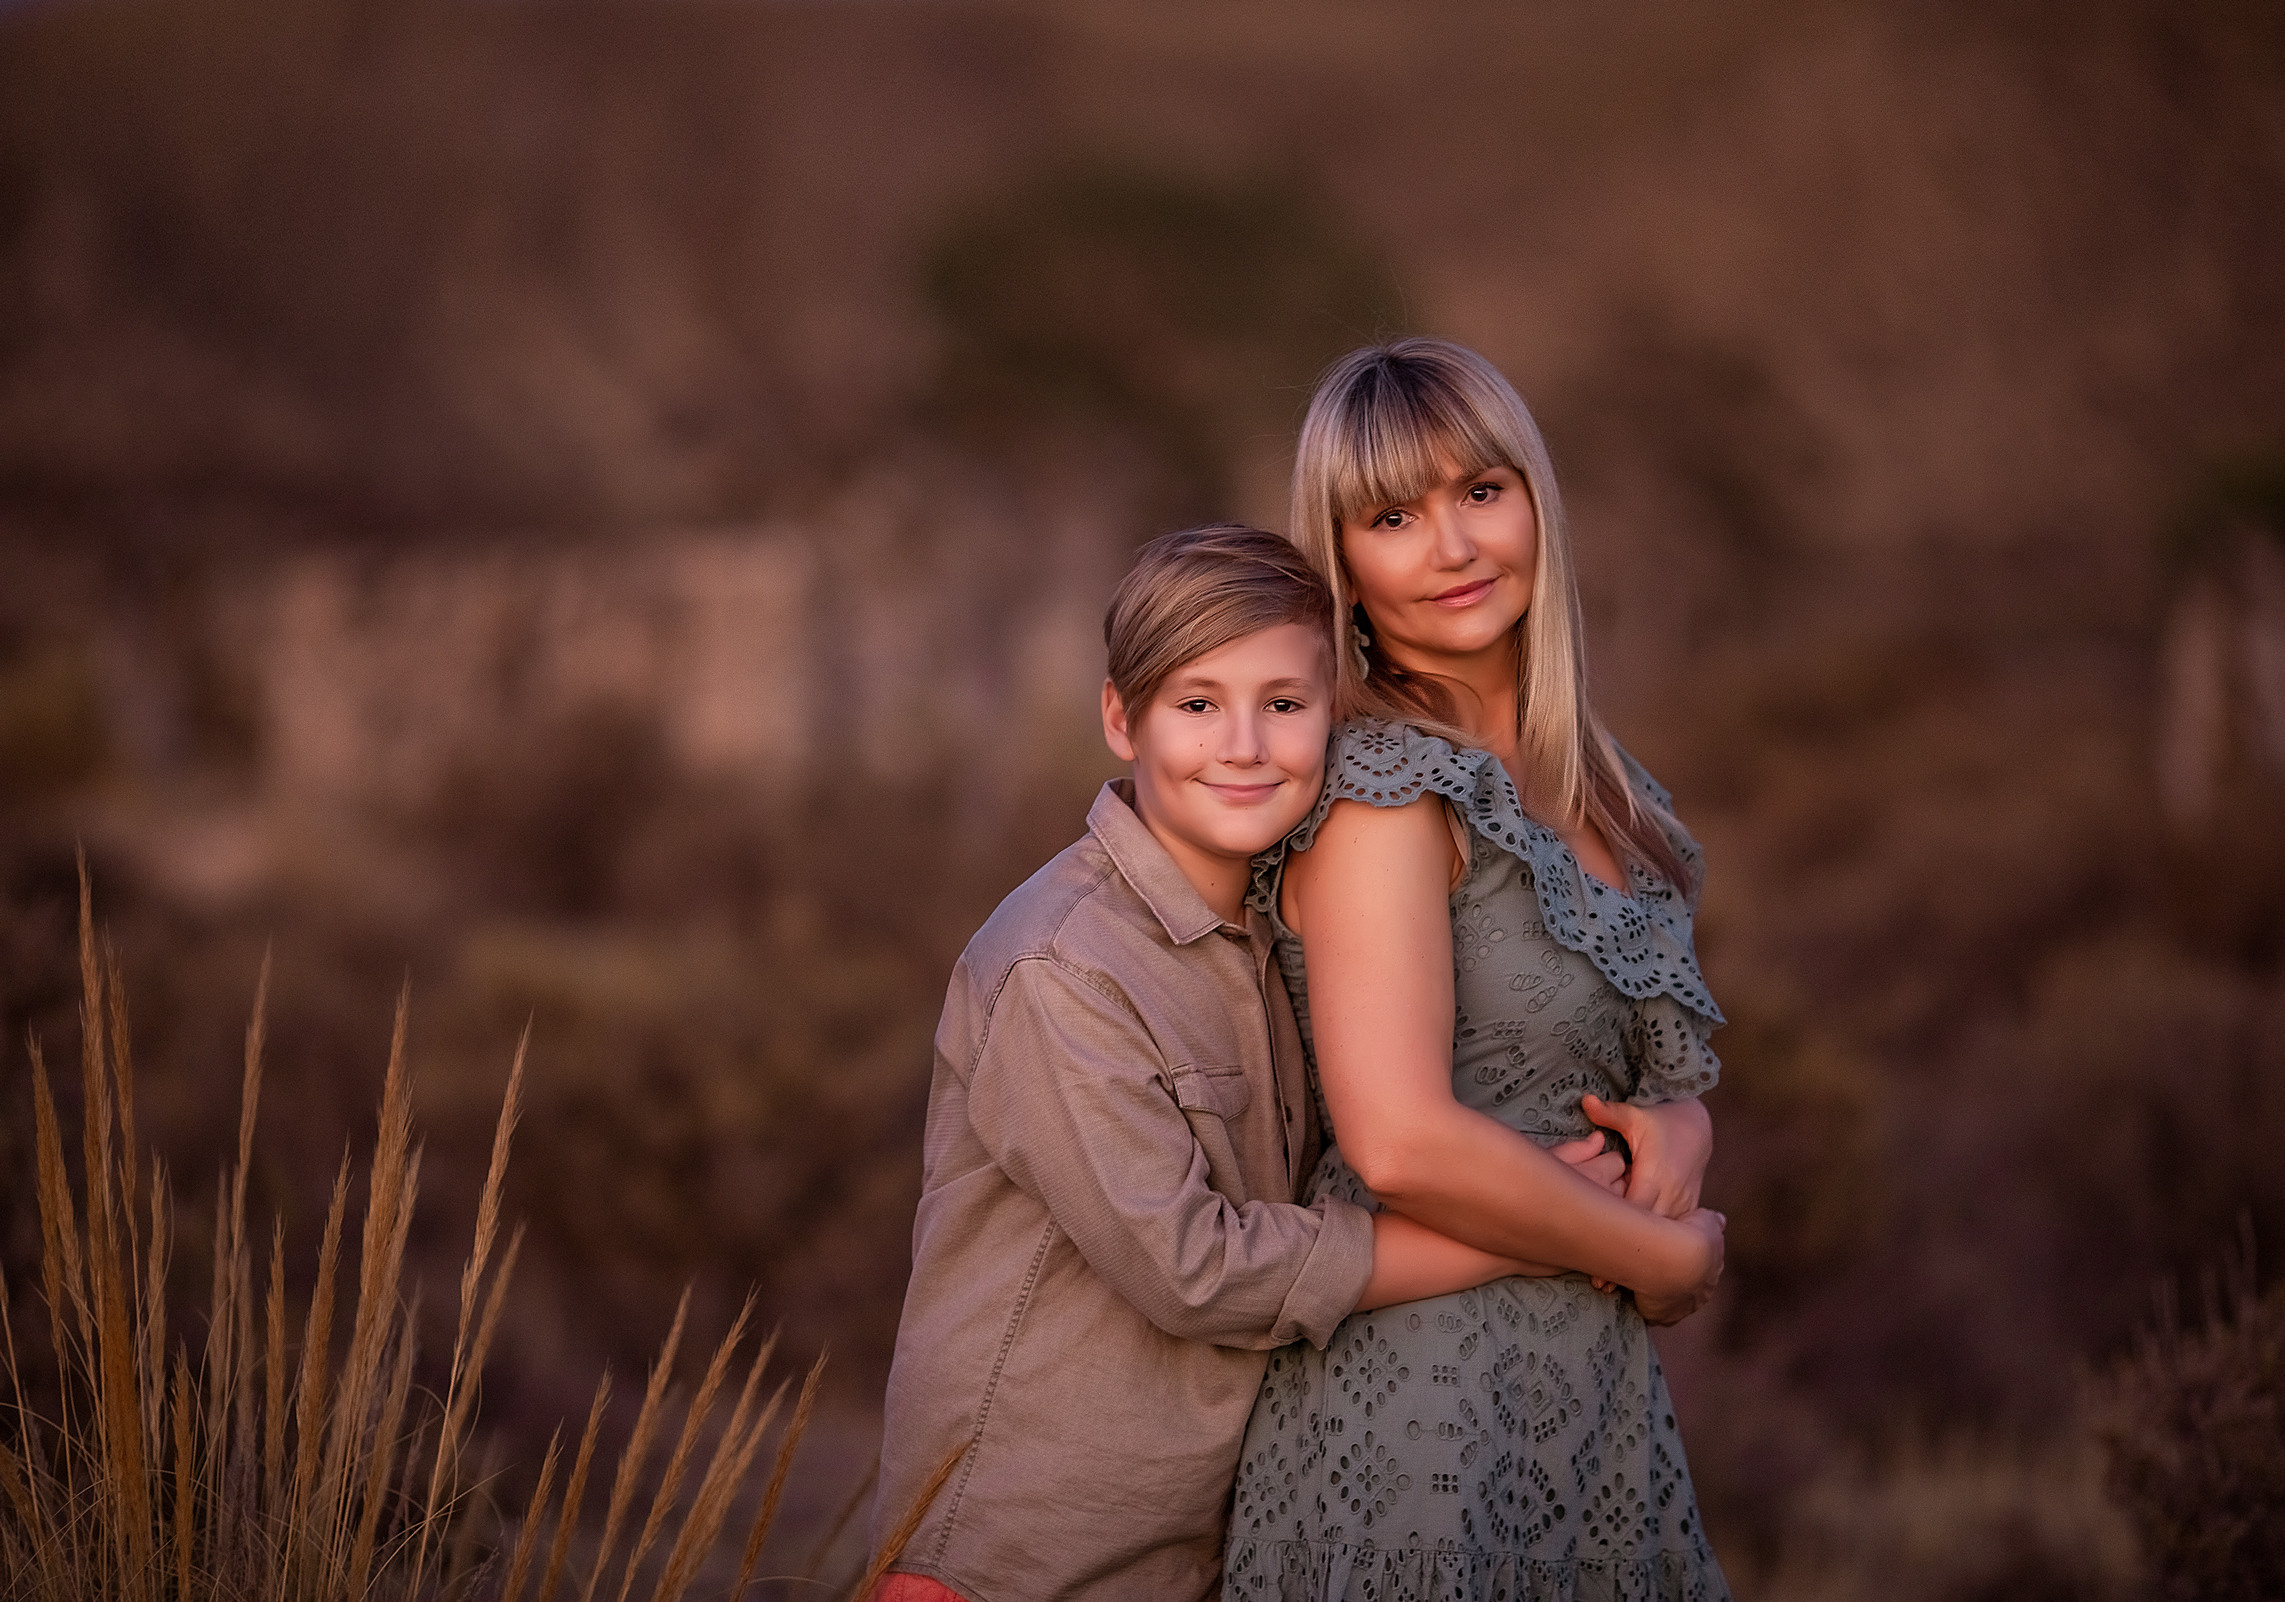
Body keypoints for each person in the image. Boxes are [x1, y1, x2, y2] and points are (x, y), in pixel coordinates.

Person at [872, 525, 1625, 1602]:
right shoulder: (1058, 968)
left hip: (1200, 1553)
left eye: (1282, 704)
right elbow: (1196, 1269)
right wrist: (1531, 1238)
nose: (1242, 745)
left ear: (1331, 715)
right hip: (1012, 1564)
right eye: (1195, 704)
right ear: (1117, 718)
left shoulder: (1290, 929)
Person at [1221, 339, 1734, 1601]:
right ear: (1339, 562)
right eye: (1393, 517)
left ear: (1534, 501)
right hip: (1420, 1406)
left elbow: (1594, 1056)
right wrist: (1657, 1256)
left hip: (1590, 1398)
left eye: (1480, 493)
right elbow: (1395, 1140)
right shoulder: (1381, 792)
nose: (1450, 548)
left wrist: (1678, 1124)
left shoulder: (1600, 788)